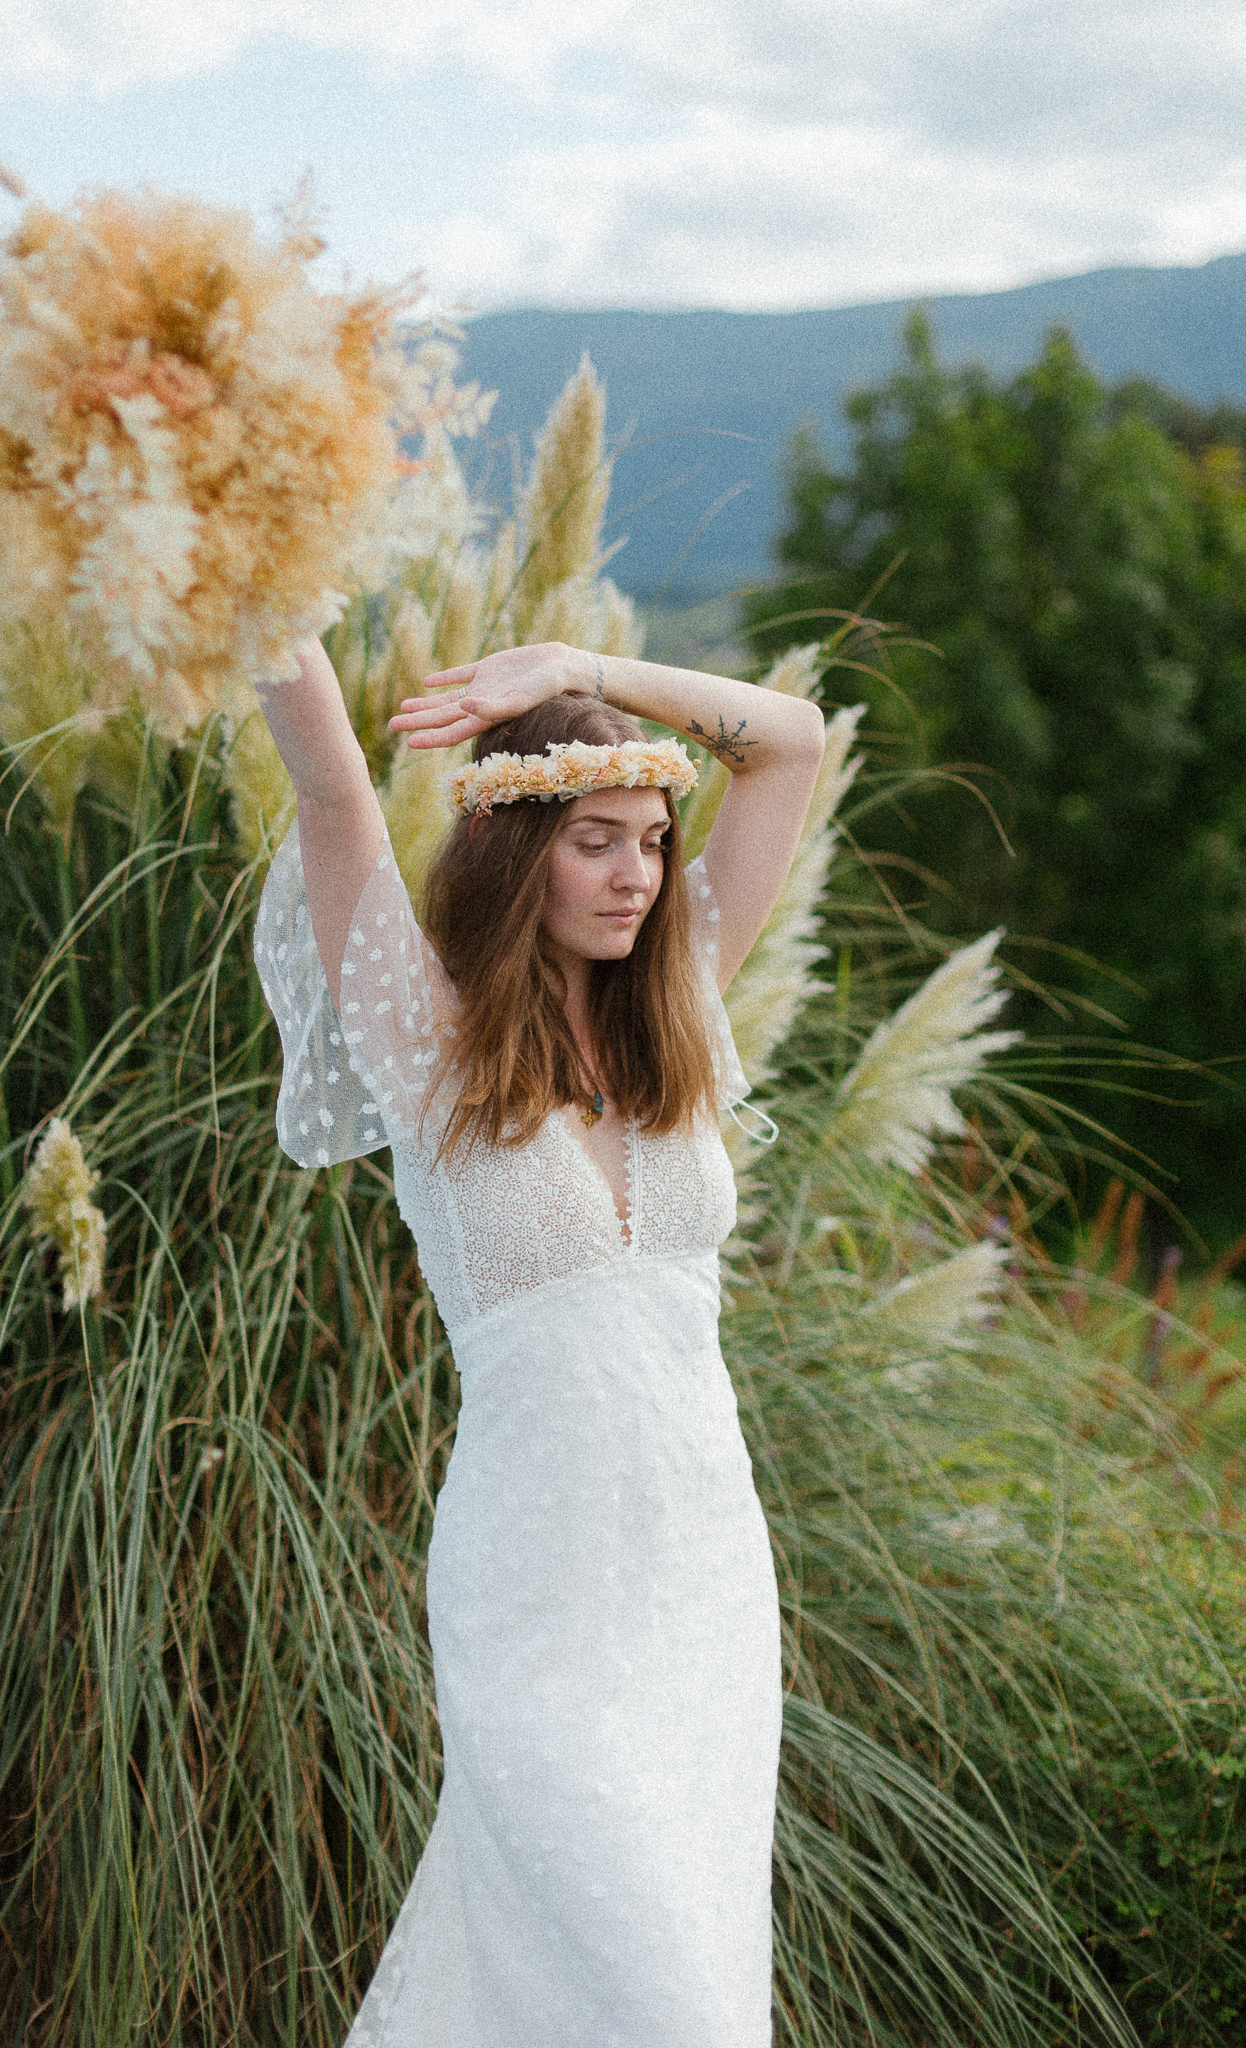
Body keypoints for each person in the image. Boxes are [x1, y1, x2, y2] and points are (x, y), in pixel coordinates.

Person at [253, 634, 825, 2047]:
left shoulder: (679, 1008)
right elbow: (333, 791)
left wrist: (584, 668)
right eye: (594, 841)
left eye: (653, 840)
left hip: (705, 1576)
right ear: (519, 854)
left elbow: (789, 744)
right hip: (535, 1584)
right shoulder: (429, 1045)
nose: (637, 875)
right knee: (656, 2000)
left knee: (669, 1976)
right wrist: (256, 572)